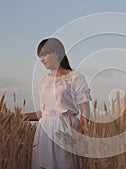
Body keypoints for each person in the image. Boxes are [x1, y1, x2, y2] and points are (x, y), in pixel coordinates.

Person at [24, 37, 91, 169]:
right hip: (44, 132)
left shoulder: (75, 77)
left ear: (57, 53)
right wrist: (21, 116)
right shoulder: (43, 81)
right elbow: (45, 112)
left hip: (67, 130)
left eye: (44, 54)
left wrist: (78, 135)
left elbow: (86, 112)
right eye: (40, 56)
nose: (42, 59)